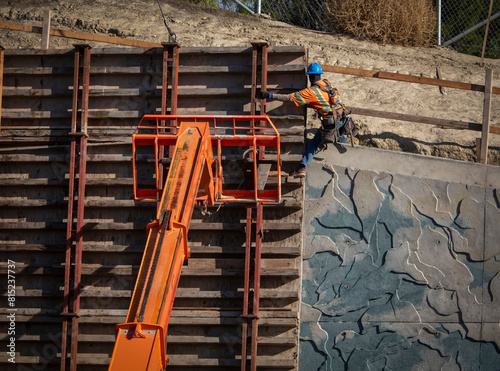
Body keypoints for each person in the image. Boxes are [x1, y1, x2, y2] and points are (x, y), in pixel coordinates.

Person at [258, 62, 348, 178]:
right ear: (319, 75)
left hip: (331, 123)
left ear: (310, 77)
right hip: (343, 118)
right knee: (341, 138)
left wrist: (269, 95)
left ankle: (302, 167)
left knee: (314, 144)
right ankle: (350, 160)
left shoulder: (311, 92)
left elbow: (289, 98)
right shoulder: (329, 85)